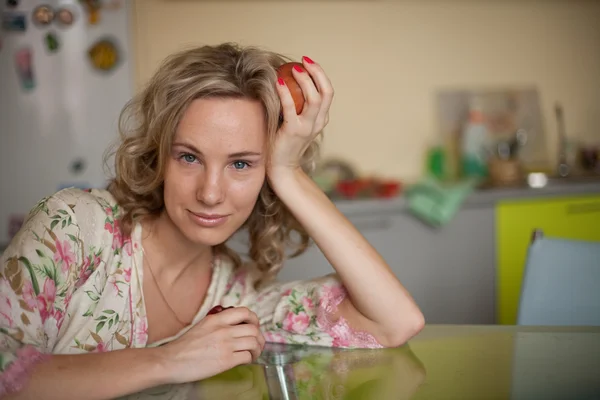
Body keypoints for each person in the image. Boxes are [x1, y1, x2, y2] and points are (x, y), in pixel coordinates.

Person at [0, 42, 424, 399]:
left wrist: (288, 173)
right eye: (189, 157)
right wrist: (171, 359)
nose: (210, 192)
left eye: (241, 164)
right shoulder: (75, 226)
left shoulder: (240, 299)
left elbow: (394, 321)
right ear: (159, 155)